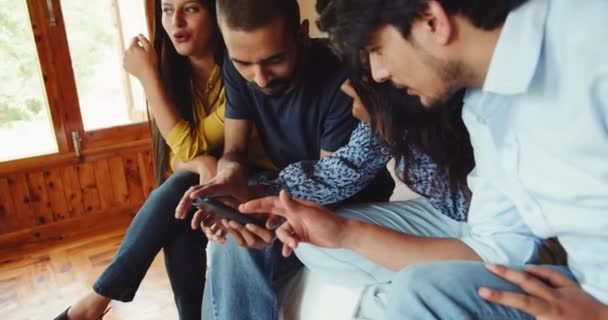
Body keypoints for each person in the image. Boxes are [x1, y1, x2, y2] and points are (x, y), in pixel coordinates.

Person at [242, 0, 608, 319]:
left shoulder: (588, 43)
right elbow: (493, 249)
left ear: (431, 20)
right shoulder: (485, 109)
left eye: (377, 49)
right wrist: (344, 234)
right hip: (580, 287)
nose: (379, 73)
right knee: (418, 290)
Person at [53, 1, 273, 319]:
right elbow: (174, 158)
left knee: (183, 188)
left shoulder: (240, 72)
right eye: (167, 10)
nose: (176, 22)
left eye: (191, 9)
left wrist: (147, 77)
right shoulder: (176, 78)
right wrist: (201, 166)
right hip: (212, 182)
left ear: (215, 13)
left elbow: (188, 144)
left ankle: (95, 301)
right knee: (182, 200)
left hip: (257, 178)